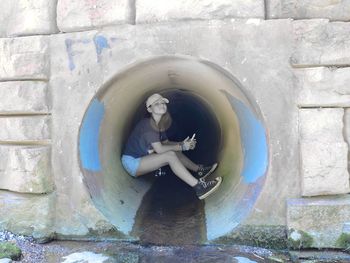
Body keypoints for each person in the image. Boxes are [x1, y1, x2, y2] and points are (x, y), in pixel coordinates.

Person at [121, 93, 222, 200]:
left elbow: (166, 143)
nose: (161, 105)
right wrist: (182, 147)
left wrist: (182, 143)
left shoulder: (159, 124)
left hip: (142, 158)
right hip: (132, 162)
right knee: (170, 156)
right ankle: (199, 187)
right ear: (150, 110)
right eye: (156, 104)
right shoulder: (147, 124)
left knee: (174, 153)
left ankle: (199, 170)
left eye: (163, 102)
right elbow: (160, 149)